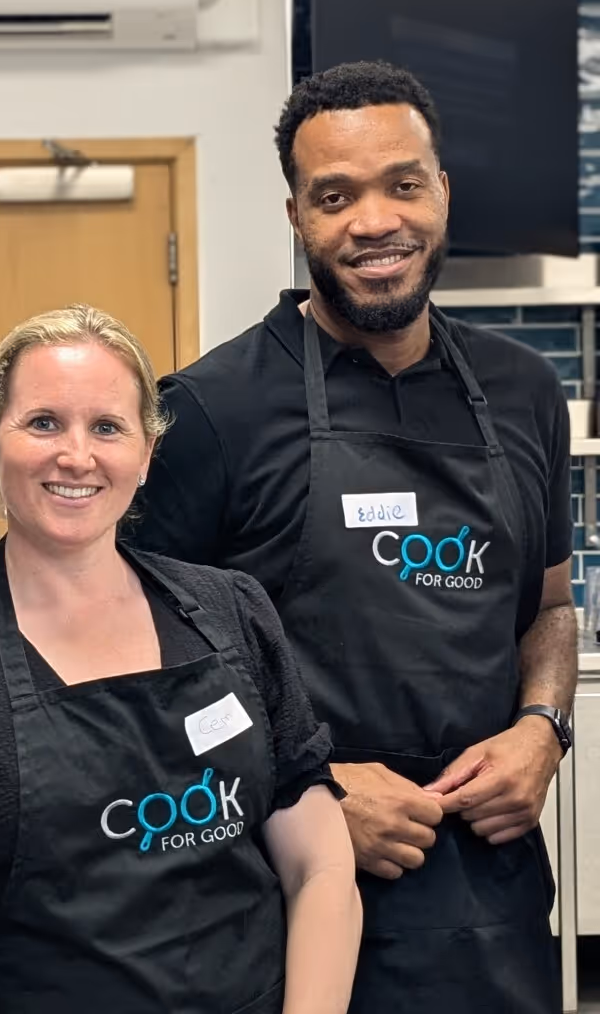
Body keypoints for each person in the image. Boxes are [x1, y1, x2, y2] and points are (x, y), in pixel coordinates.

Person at [129, 61, 577, 1013]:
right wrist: (310, 786)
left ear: (442, 192)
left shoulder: (526, 391)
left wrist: (543, 730)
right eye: (335, 196)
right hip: (291, 896)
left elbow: (546, 609)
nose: (374, 222)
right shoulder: (212, 413)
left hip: (494, 894)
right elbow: (143, 676)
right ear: (297, 216)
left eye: (402, 185)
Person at [0, 304, 361, 1013]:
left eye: (107, 427)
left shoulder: (231, 610)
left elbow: (321, 864)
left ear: (146, 454)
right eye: (43, 422)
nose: (76, 456)